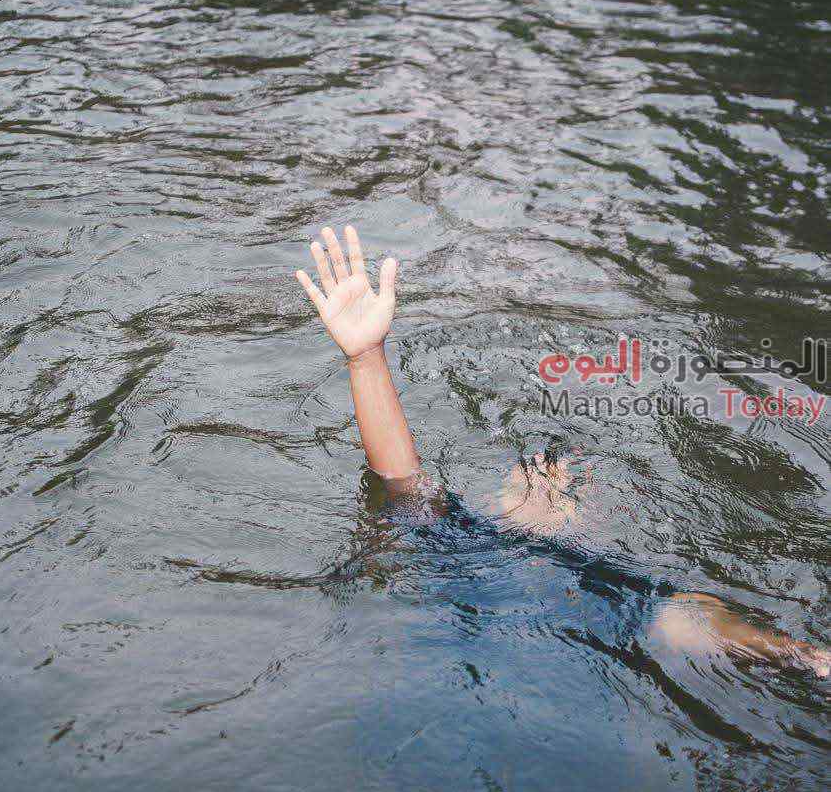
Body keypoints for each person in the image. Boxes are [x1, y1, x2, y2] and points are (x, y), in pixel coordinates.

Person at [294, 225, 830, 679]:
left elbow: (687, 620)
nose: (547, 486)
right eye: (531, 475)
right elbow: (399, 477)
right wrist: (366, 358)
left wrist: (806, 657)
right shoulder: (468, 541)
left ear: (594, 520)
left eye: (565, 485)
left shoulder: (598, 579)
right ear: (495, 502)